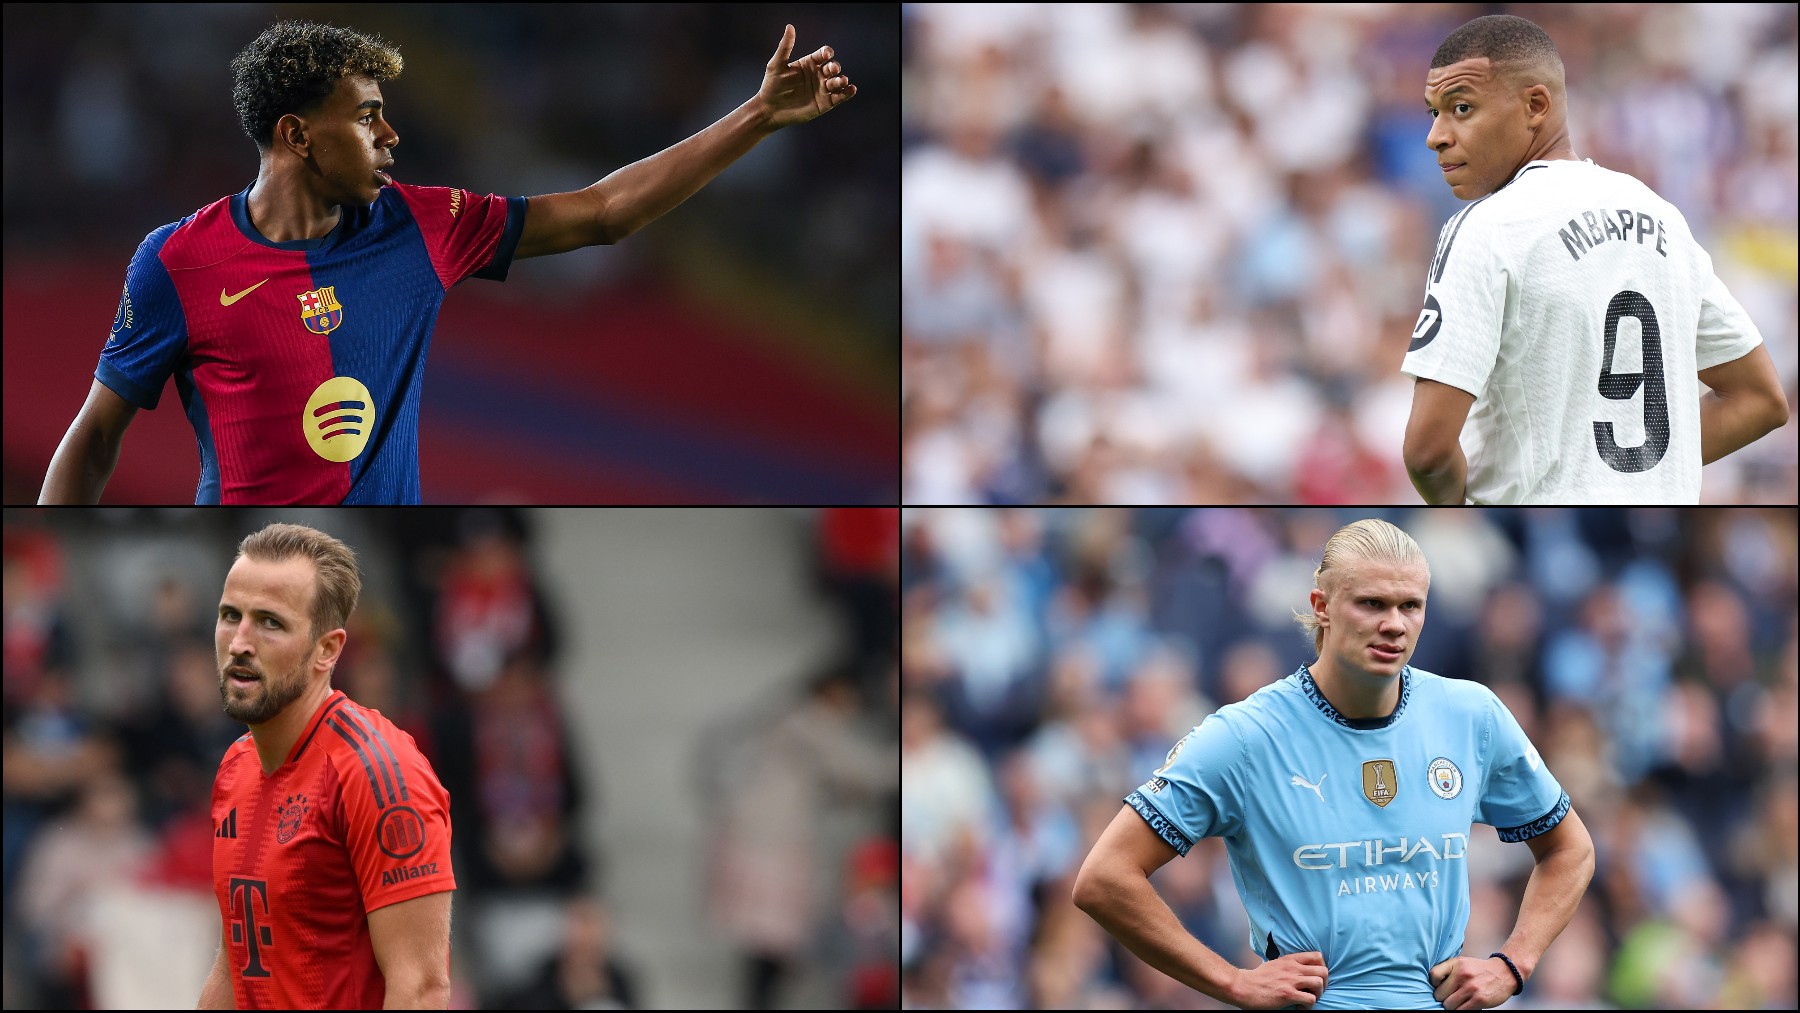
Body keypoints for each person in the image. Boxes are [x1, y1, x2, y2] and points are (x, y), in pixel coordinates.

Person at [38, 20, 856, 504]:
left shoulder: (425, 223)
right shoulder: (176, 261)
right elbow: (94, 436)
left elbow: (605, 213)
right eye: (367, 118)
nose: (391, 136)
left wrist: (755, 118)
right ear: (296, 136)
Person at [1072, 518, 1595, 1009]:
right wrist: (1232, 981)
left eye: (1410, 606)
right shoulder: (1246, 736)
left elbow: (1569, 848)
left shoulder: (1471, 717)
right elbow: (1105, 878)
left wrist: (1513, 963)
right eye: (1372, 603)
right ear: (1321, 606)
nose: (1394, 624)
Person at [1399, 14, 1787, 505]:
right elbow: (1760, 399)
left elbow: (1427, 452)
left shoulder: (1486, 228)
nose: (1436, 135)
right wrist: (1624, 479)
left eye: (1461, 108)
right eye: (1434, 112)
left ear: (1535, 105)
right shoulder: (1660, 214)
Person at [197, 522, 455, 1009]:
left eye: (270, 622)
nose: (240, 643)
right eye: (231, 615)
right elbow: (235, 969)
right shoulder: (235, 767)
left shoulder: (378, 775)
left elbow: (421, 988)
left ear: (328, 649)